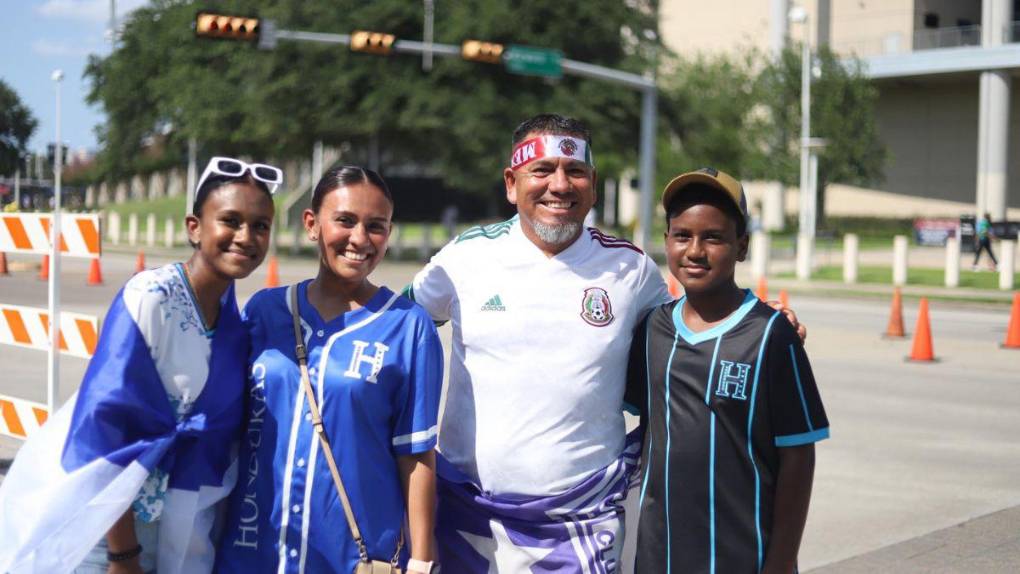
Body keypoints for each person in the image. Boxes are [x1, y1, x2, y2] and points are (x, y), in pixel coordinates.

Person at [407, 114, 806, 571]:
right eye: (542, 170)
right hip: (467, 514)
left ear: (593, 186)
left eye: (575, 171)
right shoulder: (465, 257)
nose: (560, 185)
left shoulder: (630, 270)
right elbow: (396, 326)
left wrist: (755, 318)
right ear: (511, 183)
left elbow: (691, 328)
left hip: (583, 522)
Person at [0, 156, 280, 573]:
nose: (246, 236)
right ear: (194, 227)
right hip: (106, 528)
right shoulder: (152, 297)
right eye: (230, 220)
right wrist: (123, 554)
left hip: (174, 531)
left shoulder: (232, 322)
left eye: (260, 226)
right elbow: (104, 427)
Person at [215, 166, 442, 574]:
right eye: (345, 220)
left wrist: (422, 562)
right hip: (252, 553)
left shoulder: (408, 326)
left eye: (376, 226)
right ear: (311, 224)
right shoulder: (265, 311)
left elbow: (416, 455)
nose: (360, 239)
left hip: (351, 559)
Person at [626, 168, 829, 573]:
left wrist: (782, 559)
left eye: (713, 237)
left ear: (742, 246)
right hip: (658, 554)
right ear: (666, 241)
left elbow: (798, 456)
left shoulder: (771, 335)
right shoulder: (652, 330)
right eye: (682, 235)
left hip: (741, 557)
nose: (695, 250)